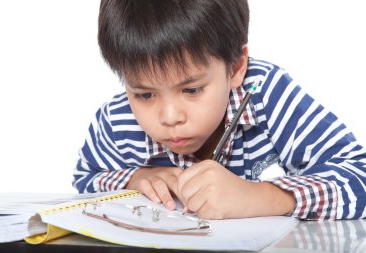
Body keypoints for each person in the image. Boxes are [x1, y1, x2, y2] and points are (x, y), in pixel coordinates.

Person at [73, 0, 366, 220]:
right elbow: (85, 180)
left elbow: (358, 174)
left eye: (192, 90)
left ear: (237, 67)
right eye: (145, 94)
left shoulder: (265, 93)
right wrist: (134, 179)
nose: (170, 116)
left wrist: (260, 197)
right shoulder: (117, 120)